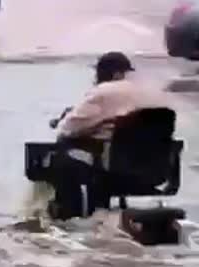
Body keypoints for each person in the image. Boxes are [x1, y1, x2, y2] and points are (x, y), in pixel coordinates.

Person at [46, 51, 172, 219]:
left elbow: (67, 129)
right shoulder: (154, 92)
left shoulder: (104, 92)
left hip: (112, 172)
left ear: (113, 73)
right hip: (154, 173)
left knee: (60, 157)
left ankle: (70, 216)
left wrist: (84, 126)